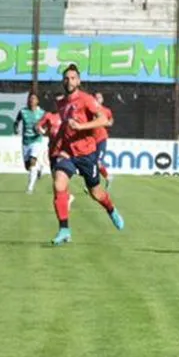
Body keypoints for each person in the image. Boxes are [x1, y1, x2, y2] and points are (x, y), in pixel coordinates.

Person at [50, 64, 124, 245]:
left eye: (73, 78)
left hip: (86, 154)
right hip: (68, 153)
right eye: (66, 78)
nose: (69, 81)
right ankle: (64, 229)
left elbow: (103, 119)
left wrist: (81, 126)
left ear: (78, 81)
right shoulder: (61, 103)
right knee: (59, 185)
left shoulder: (86, 99)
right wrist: (55, 147)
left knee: (96, 193)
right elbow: (64, 127)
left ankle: (111, 209)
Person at [13, 92, 47, 194]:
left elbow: (47, 125)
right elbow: (16, 121)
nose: (31, 100)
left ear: (37, 101)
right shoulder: (23, 111)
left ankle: (30, 188)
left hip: (36, 140)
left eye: (34, 98)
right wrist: (15, 129)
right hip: (25, 141)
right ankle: (39, 168)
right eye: (30, 98)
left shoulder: (42, 113)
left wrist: (42, 130)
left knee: (32, 161)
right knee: (28, 167)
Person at [93, 92, 115, 190]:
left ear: (102, 99)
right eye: (96, 97)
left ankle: (107, 177)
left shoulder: (106, 110)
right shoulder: (90, 110)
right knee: (91, 163)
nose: (98, 99)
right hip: (91, 140)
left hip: (101, 139)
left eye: (100, 97)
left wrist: (107, 123)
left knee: (98, 163)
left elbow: (111, 120)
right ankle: (93, 183)